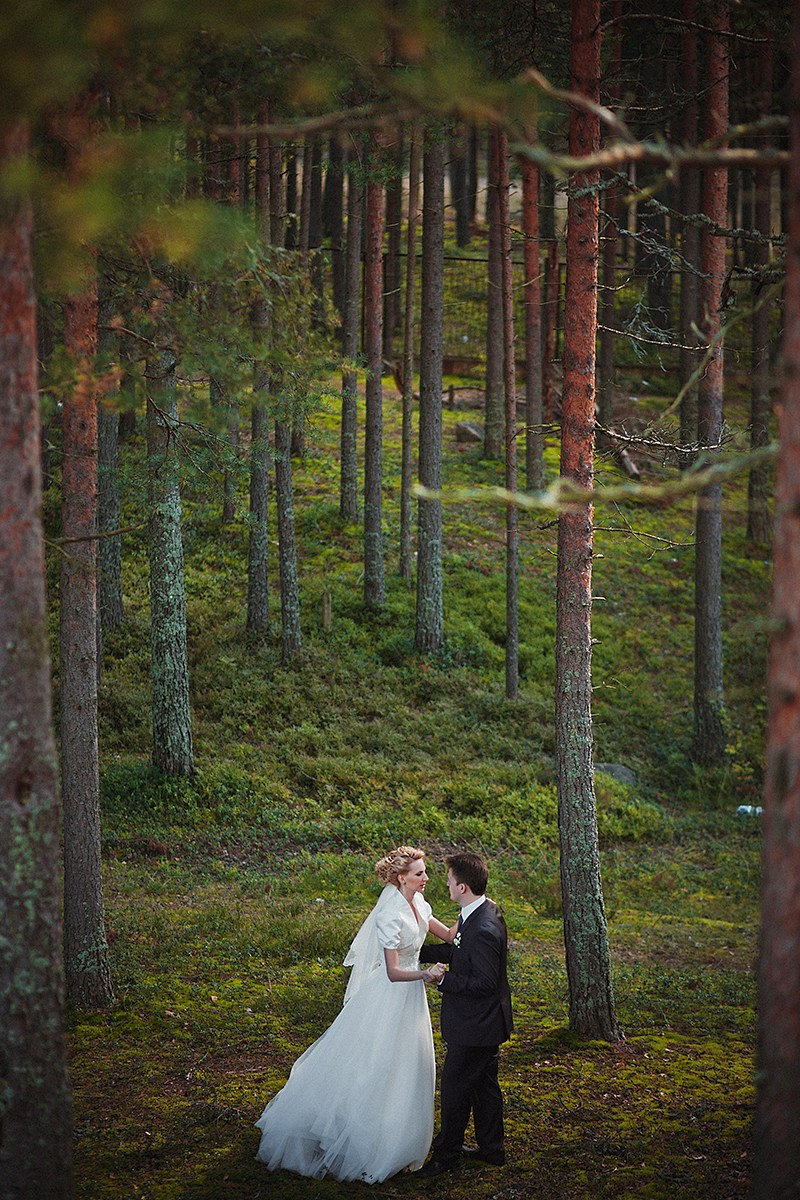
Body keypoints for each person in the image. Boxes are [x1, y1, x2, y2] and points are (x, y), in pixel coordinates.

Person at [254, 846, 452, 1183]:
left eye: (425, 872)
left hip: (411, 1001)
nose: (426, 878)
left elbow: (445, 933)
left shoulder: (418, 902)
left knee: (407, 1065)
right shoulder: (389, 913)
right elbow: (391, 971)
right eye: (419, 873)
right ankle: (367, 1140)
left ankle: (397, 1136)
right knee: (377, 1065)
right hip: (391, 995)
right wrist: (425, 974)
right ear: (401, 878)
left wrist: (474, 928)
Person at [416, 850, 513, 1177]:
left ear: (462, 888)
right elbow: (458, 950)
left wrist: (444, 978)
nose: (446, 884)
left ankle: (447, 1157)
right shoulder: (482, 911)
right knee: (485, 1086)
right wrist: (417, 951)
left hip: (476, 1027)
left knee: (455, 1090)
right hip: (485, 1025)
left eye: (449, 881)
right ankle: (492, 1149)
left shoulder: (482, 928)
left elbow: (484, 982)